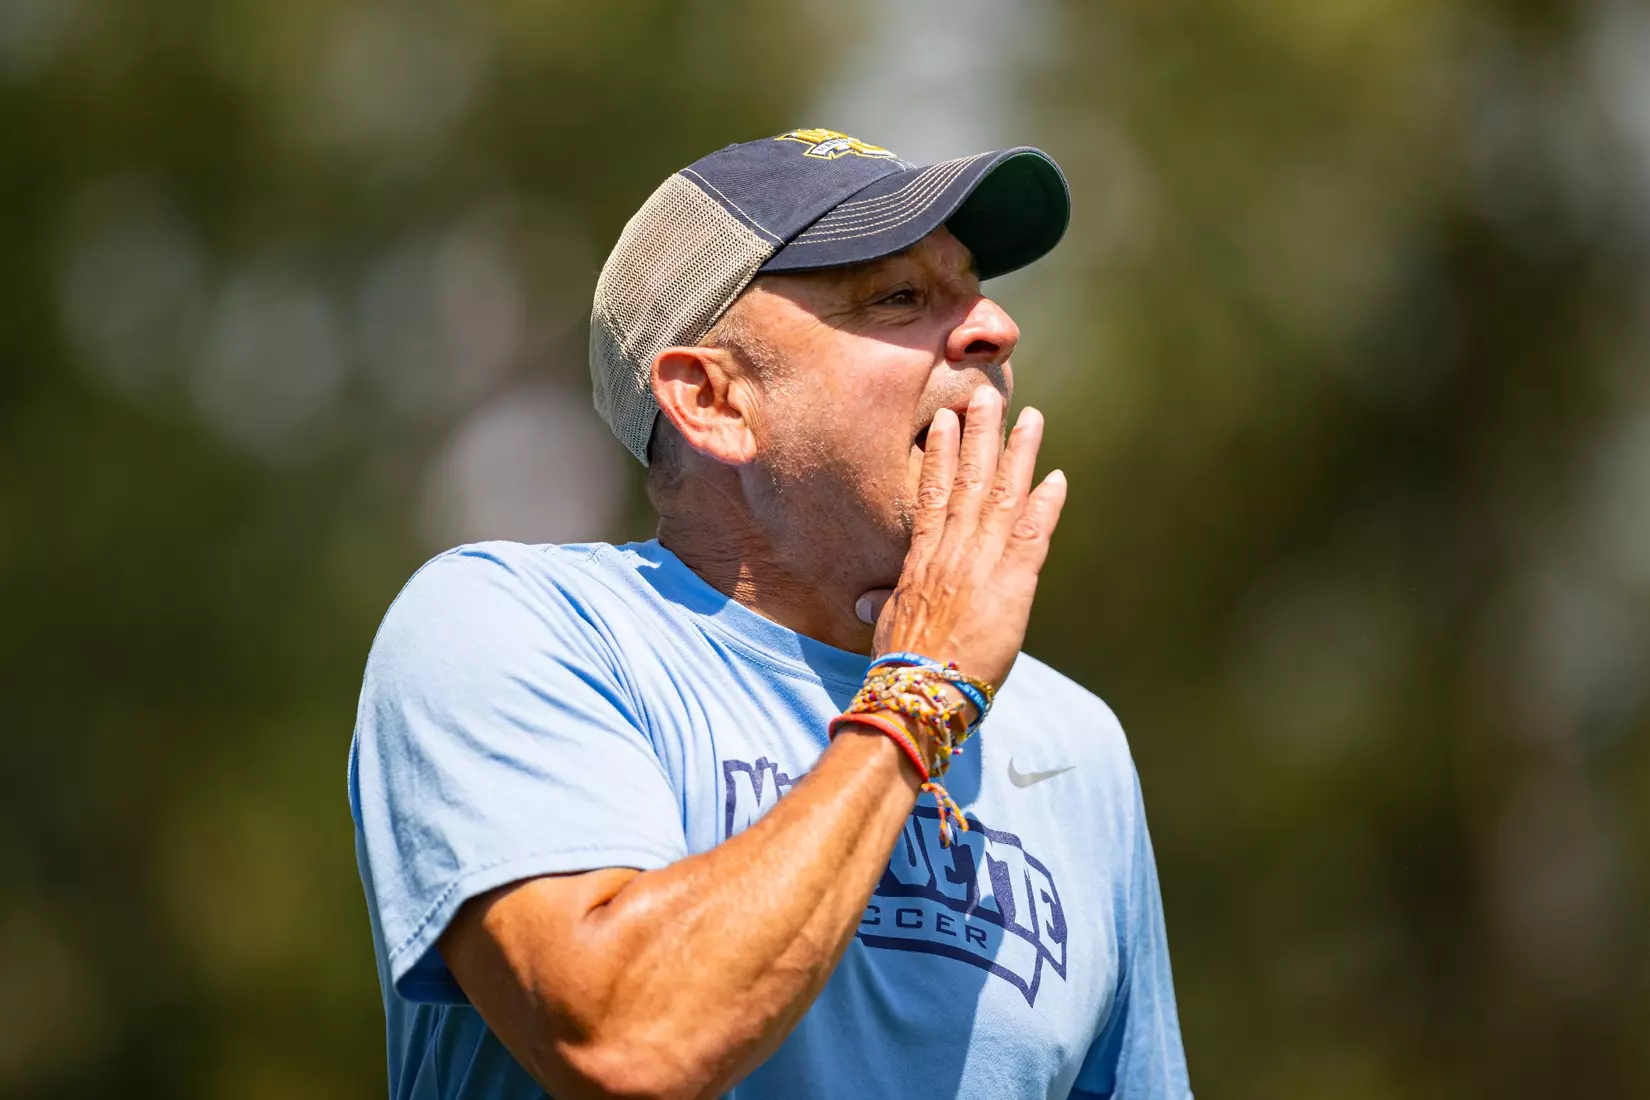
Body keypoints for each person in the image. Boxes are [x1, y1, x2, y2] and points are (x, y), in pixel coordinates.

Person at [350, 128, 1193, 1100]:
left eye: (971, 287)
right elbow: (625, 1042)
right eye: (901, 296)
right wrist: (919, 694)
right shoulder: (511, 628)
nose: (994, 327)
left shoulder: (1071, 742)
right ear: (714, 400)